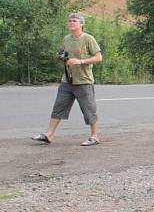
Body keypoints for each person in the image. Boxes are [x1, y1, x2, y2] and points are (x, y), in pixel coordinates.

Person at [31, 13, 103, 147]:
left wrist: (80, 61)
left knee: (89, 110)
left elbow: (99, 58)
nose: (71, 23)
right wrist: (60, 56)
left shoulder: (88, 38)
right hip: (67, 81)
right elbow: (62, 53)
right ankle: (49, 135)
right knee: (58, 108)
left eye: (74, 21)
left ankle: (94, 136)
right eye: (70, 21)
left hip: (84, 81)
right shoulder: (67, 39)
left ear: (81, 24)